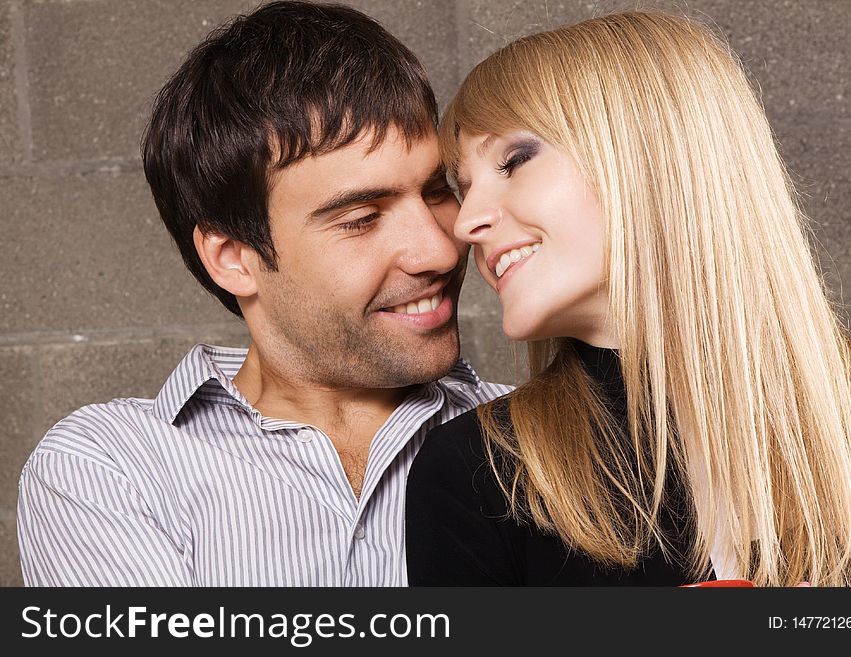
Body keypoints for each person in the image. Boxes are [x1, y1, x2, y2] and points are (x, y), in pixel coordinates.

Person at [16, 0, 509, 586]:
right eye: (361, 218)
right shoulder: (109, 470)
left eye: (434, 192)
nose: (439, 249)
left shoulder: (548, 443)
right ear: (234, 259)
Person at [405, 10, 851, 587]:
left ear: (652, 152)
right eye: (464, 188)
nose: (467, 223)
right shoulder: (480, 473)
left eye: (514, 161)